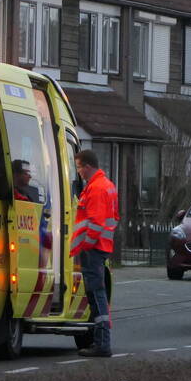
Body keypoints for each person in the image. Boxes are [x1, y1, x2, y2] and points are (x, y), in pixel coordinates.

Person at [70, 150, 119, 358]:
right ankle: (100, 342)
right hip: (101, 246)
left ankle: (101, 343)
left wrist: (87, 245)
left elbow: (96, 223)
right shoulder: (106, 185)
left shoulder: (97, 188)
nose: (78, 171)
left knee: (96, 294)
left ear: (88, 166)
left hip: (93, 248)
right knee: (97, 293)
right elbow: (113, 218)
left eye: (79, 167)